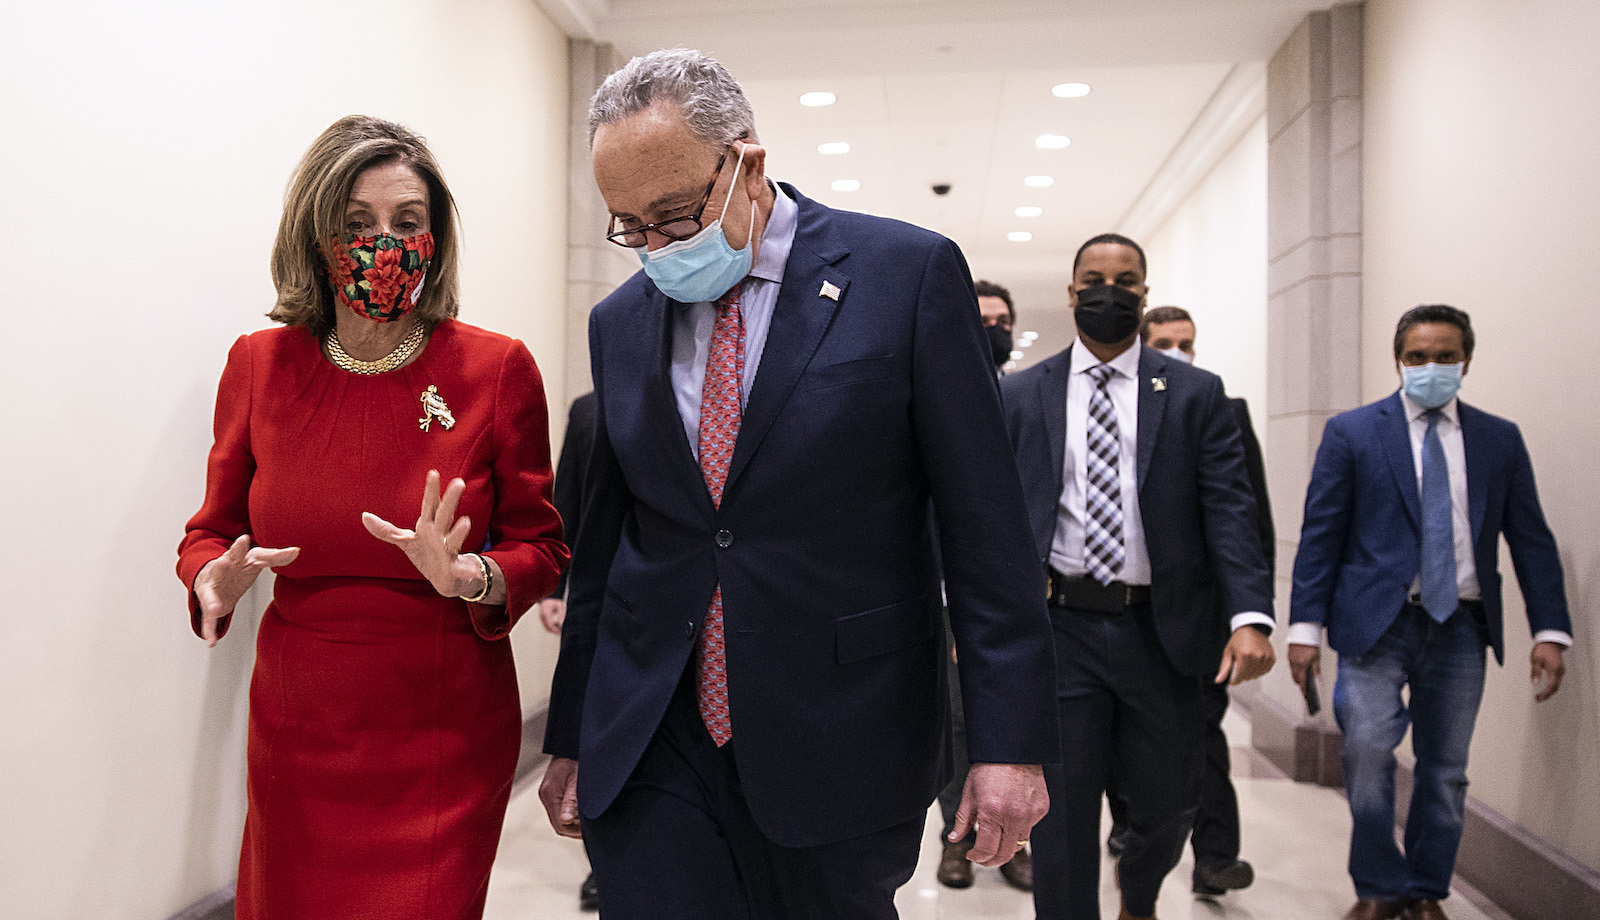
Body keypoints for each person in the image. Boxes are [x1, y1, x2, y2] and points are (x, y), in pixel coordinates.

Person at [539, 49, 1058, 920]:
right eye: (629, 225)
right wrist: (571, 736)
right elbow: (604, 548)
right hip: (655, 727)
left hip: (841, 726)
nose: (657, 247)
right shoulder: (619, 322)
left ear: (748, 163)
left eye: (673, 214)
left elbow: (986, 533)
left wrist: (1010, 746)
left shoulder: (906, 276)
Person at [176, 115, 568, 920]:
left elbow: (543, 546)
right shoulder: (260, 365)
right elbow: (210, 531)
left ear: (436, 237)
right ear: (319, 234)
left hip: (441, 729)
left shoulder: (495, 369)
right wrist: (210, 581)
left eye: (406, 223)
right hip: (299, 726)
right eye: (357, 224)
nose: (381, 243)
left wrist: (473, 575)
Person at [1000, 233, 1276, 920]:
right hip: (1060, 630)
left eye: (1125, 281)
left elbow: (1230, 510)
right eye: (1093, 279)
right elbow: (991, 518)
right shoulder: (1021, 394)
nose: (1108, 291)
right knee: (1060, 816)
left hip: (1163, 631)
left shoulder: (1194, 393)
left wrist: (1250, 615)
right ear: (1071, 294)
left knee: (1168, 805)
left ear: (1143, 294)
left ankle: (1140, 901)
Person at [1288, 304, 1571, 920]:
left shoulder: (1499, 439)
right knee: (1365, 755)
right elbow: (1321, 536)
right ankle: (1379, 885)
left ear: (1467, 360)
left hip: (1460, 627)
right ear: (1399, 360)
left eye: (1445, 356)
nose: (1431, 368)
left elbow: (1530, 538)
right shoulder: (1354, 432)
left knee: (1445, 772)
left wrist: (1550, 630)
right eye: (1418, 357)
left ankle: (1424, 890)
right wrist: (1304, 629)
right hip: (1375, 625)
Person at [1101, 306, 1273, 899]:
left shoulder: (1220, 408)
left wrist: (1249, 614)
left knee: (1203, 738)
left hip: (1199, 619)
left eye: (1188, 343)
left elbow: (1248, 519)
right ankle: (1131, 832)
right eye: (1165, 343)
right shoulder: (1107, 410)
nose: (1179, 353)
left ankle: (1216, 857)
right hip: (1125, 612)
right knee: (1132, 741)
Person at [937, 279, 1032, 893]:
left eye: (1001, 320)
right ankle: (957, 840)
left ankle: (1016, 844)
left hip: (1022, 597)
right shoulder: (934, 395)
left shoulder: (1032, 402)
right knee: (955, 724)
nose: (991, 330)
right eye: (981, 320)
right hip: (946, 597)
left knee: (1016, 726)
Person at [534, 390, 601, 911]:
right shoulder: (587, 411)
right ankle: (604, 861)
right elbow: (569, 508)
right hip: (604, 606)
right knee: (600, 733)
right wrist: (556, 591)